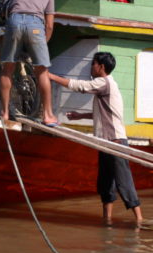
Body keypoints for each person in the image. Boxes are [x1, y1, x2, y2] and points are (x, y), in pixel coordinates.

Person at [48, 52, 143, 226]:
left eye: (93, 64)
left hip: (115, 142)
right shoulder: (108, 85)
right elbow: (104, 113)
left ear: (101, 67)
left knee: (124, 181)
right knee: (106, 182)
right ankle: (107, 219)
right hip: (105, 142)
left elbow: (80, 86)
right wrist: (79, 115)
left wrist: (51, 76)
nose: (91, 67)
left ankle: (139, 219)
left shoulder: (104, 82)